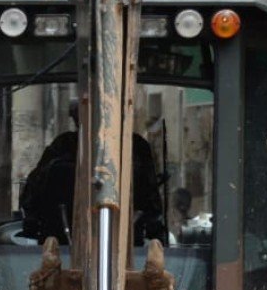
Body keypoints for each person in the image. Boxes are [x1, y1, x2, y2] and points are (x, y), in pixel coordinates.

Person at [20, 100, 163, 245]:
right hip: (62, 245)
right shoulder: (62, 146)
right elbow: (33, 194)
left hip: (123, 245)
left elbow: (151, 204)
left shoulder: (135, 147)